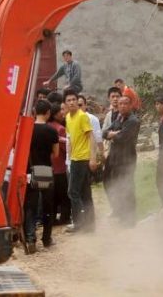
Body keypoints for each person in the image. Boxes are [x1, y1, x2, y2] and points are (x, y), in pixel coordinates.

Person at [24, 100, 58, 253]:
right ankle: (47, 238)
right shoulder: (51, 131)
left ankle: (30, 238)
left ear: (34, 111)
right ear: (48, 113)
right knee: (47, 205)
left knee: (30, 206)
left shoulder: (27, 129)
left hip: (29, 172)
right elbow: (56, 154)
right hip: (45, 170)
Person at [102, 96, 140, 227]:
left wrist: (113, 135)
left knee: (127, 187)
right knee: (112, 184)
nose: (122, 106)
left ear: (130, 106)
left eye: (125, 104)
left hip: (126, 159)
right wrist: (113, 134)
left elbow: (122, 138)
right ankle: (121, 213)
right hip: (114, 158)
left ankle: (130, 219)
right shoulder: (118, 118)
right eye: (120, 104)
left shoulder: (133, 121)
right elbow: (104, 133)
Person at [63, 89, 97, 233]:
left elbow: (91, 137)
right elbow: (70, 139)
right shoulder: (68, 118)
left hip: (82, 159)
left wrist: (93, 158)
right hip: (75, 158)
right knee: (85, 193)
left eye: (73, 100)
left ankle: (79, 223)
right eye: (68, 100)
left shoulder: (82, 117)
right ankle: (90, 224)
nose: (71, 102)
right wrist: (69, 159)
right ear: (65, 103)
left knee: (72, 192)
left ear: (78, 101)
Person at [48, 103, 71, 225]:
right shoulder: (60, 129)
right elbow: (65, 148)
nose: (62, 114)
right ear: (54, 114)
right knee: (64, 195)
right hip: (60, 166)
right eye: (59, 112)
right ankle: (65, 217)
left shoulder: (47, 126)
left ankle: (51, 219)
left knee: (52, 196)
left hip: (49, 166)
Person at [77, 95, 104, 167]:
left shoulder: (92, 119)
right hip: (74, 159)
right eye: (76, 105)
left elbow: (98, 139)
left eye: (80, 105)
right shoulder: (70, 119)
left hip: (88, 158)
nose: (78, 108)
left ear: (85, 105)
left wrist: (101, 155)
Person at [101, 87, 122, 162]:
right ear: (109, 99)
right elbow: (103, 132)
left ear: (121, 98)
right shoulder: (108, 115)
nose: (115, 99)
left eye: (117, 96)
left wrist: (109, 134)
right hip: (110, 151)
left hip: (122, 152)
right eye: (113, 97)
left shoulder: (124, 114)